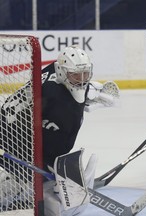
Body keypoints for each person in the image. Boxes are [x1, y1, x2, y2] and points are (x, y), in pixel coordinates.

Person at [0, 45, 120, 212]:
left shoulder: (54, 71)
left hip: (14, 126)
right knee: (14, 182)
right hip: (11, 139)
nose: (82, 80)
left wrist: (93, 92)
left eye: (85, 74)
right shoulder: (56, 101)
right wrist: (51, 168)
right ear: (62, 72)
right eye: (76, 75)